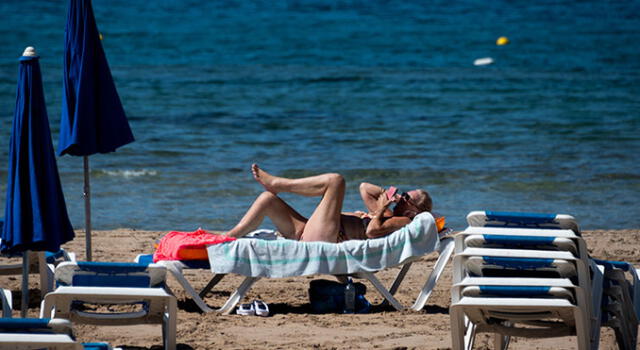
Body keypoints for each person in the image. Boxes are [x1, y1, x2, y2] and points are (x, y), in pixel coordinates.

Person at [226, 164, 432, 243]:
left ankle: (279, 184)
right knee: (267, 200)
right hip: (311, 231)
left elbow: (371, 232)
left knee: (336, 181)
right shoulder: (390, 214)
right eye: (404, 194)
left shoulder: (405, 221)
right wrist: (387, 195)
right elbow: (364, 187)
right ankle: (229, 237)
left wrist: (381, 210)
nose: (402, 197)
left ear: (414, 210)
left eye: (407, 198)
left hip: (331, 237)